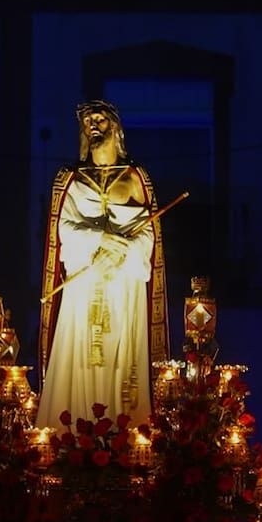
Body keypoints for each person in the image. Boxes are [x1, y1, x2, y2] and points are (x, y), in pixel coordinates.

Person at [37, 100, 168, 429]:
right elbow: (64, 228)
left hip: (123, 286)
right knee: (83, 359)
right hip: (84, 283)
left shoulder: (137, 177)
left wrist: (124, 248)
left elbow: (149, 237)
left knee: (121, 362)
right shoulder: (72, 179)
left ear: (116, 127)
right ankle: (78, 429)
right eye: (88, 121)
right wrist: (100, 239)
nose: (94, 125)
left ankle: (123, 432)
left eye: (101, 119)